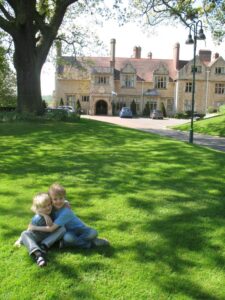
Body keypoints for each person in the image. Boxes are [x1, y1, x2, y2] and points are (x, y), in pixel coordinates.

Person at [29, 183, 109, 249]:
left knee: (93, 233)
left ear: (64, 197)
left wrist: (34, 227)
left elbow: (51, 229)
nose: (58, 201)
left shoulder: (66, 212)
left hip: (80, 229)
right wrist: (44, 215)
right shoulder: (50, 207)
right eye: (55, 199)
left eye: (61, 198)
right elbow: (33, 207)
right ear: (51, 200)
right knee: (68, 238)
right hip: (68, 231)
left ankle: (85, 243)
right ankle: (91, 243)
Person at [15, 192, 66, 267]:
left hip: (49, 235)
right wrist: (19, 240)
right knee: (24, 233)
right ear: (38, 209)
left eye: (49, 205)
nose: (48, 207)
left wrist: (45, 215)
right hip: (39, 235)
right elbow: (30, 228)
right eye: (44, 207)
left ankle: (43, 246)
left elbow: (51, 226)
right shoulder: (37, 218)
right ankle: (38, 254)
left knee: (62, 228)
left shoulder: (52, 211)